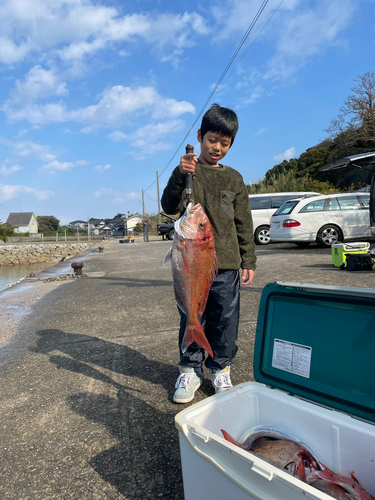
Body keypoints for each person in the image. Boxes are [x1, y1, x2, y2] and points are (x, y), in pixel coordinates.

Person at [161, 103, 256, 404]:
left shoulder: (234, 179)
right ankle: (189, 369)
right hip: (192, 262)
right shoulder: (189, 172)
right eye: (212, 140)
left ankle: (220, 367)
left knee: (225, 319)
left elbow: (244, 221)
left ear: (231, 144)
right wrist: (179, 174)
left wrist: (248, 259)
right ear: (201, 136)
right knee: (192, 315)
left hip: (227, 264)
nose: (217, 148)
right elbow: (169, 207)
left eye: (224, 143)